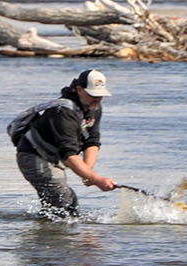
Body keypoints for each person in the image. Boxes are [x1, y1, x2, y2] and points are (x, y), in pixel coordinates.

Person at [9, 68, 117, 219]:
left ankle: (49, 232)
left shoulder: (94, 108)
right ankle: (52, 237)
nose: (97, 99)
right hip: (34, 156)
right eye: (93, 94)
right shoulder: (63, 112)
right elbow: (68, 155)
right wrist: (96, 180)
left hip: (54, 156)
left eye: (100, 95)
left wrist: (88, 172)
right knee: (62, 201)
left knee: (68, 204)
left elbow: (92, 142)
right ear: (79, 90)